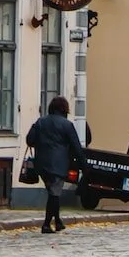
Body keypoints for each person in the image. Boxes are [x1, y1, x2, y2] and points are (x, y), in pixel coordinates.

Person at [25, 94, 85, 234]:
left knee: (53, 191)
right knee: (54, 194)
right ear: (64, 109)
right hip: (59, 165)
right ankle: (46, 224)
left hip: (42, 164)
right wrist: (83, 165)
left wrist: (42, 144)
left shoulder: (40, 122)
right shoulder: (67, 125)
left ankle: (58, 221)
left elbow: (30, 140)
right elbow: (76, 146)